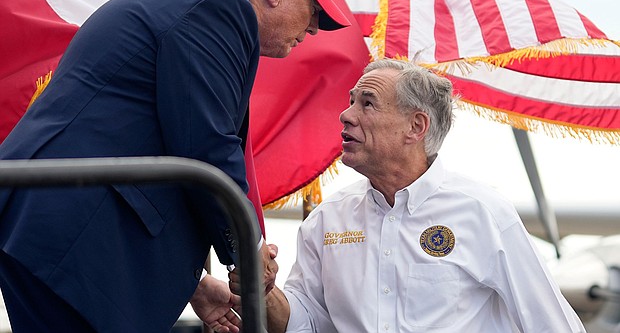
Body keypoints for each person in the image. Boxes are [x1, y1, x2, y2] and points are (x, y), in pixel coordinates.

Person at [0, 0, 349, 333]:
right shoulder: (222, 8)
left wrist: (196, 286)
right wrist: (248, 248)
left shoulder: (198, 2)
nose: (311, 32)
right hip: (77, 236)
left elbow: (167, 135)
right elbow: (206, 143)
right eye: (313, 14)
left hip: (67, 229)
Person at [230, 59, 586, 332]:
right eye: (351, 101)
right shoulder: (326, 219)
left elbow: (551, 323)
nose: (345, 115)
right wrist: (263, 290)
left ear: (416, 127)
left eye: (367, 104)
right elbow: (305, 322)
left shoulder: (484, 213)